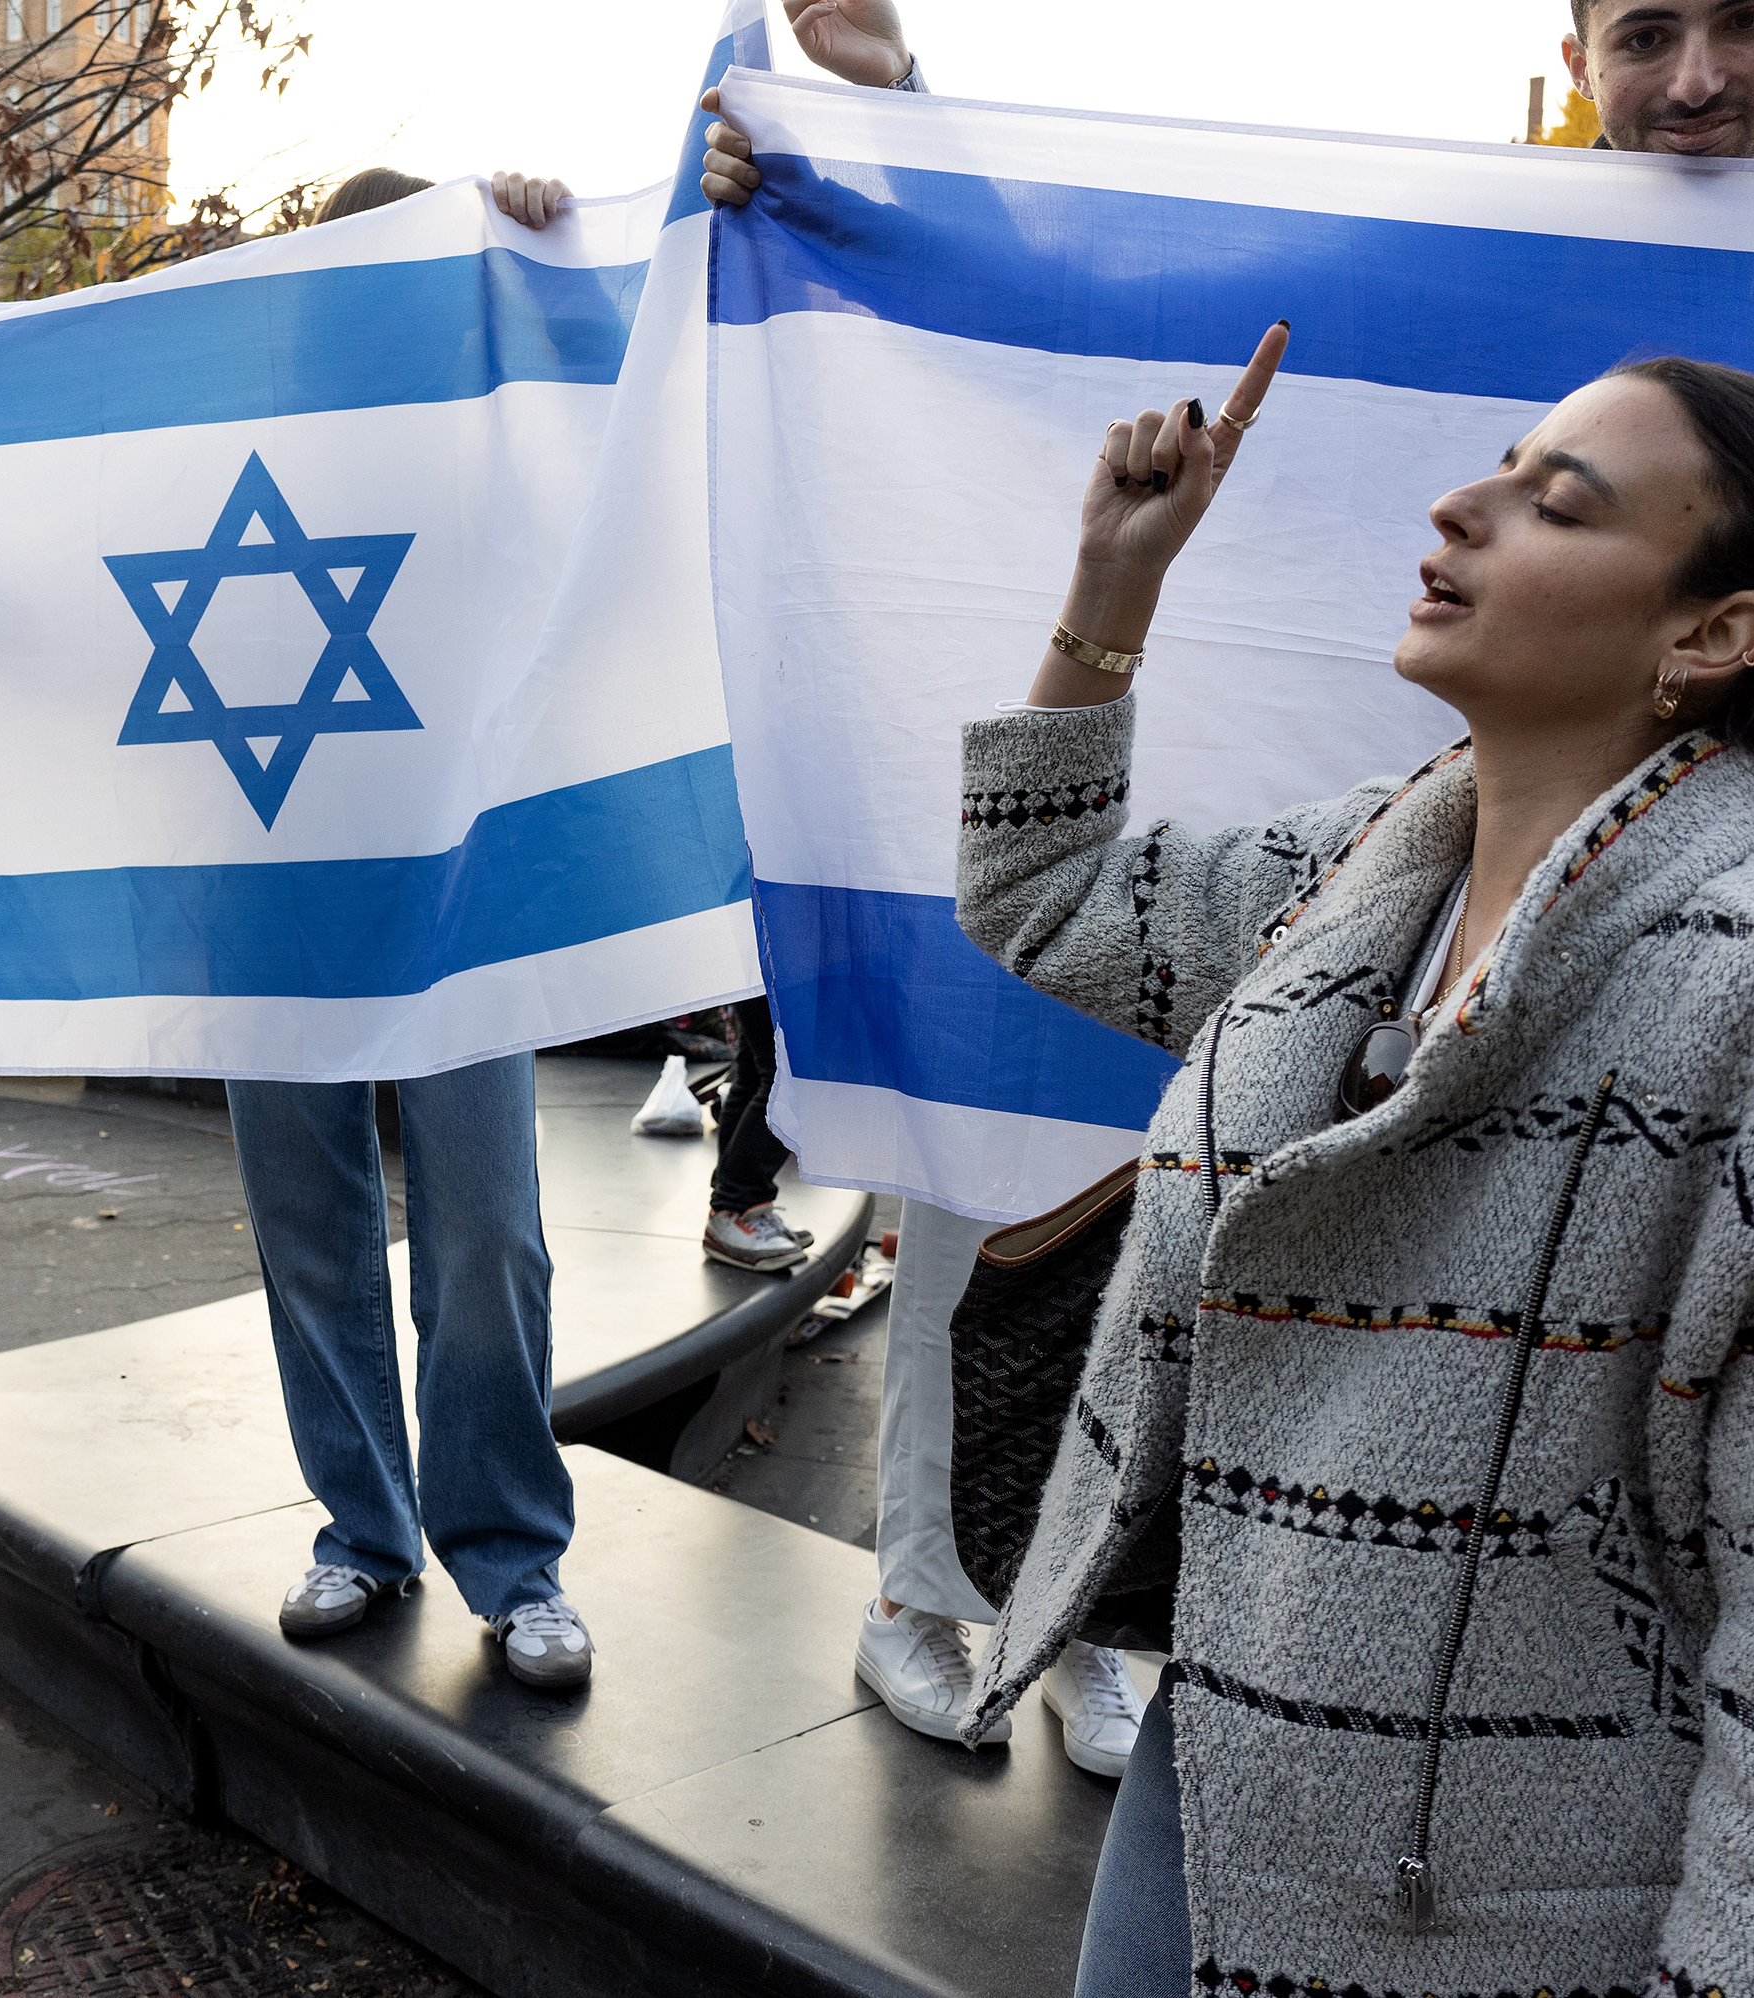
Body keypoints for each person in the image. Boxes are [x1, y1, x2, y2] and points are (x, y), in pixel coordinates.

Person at [958, 318, 1754, 1992]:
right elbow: (1044, 899)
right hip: (1211, 1760)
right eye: (1495, 470)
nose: (1455, 507)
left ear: (1711, 632)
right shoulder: (1371, 862)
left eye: (1554, 503)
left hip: (1513, 1886)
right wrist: (1108, 589)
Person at [697, 0, 1147, 1774]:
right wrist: (865, 121)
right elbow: (977, 304)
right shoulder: (1013, 339)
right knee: (973, 1231)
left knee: (1148, 1274)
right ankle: (922, 1598)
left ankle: (1098, 1615)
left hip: (1223, 857)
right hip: (1009, 822)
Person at [240, 165, 598, 1692]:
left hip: (464, 891)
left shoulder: (498, 435)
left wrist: (545, 249)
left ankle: (513, 1557)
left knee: (487, 1230)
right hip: (278, 884)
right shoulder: (251, 434)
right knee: (307, 1228)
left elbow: (613, 436)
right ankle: (362, 1529)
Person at [1564, 0, 1754, 157]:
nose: (1695, 87)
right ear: (1581, 68)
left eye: (1745, 21)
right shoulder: (1526, 243)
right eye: (1644, 40)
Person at [699, 994, 820, 1269]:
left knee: (756, 1073)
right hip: (777, 955)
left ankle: (734, 1210)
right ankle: (736, 1202)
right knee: (789, 1076)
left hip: (757, 958)